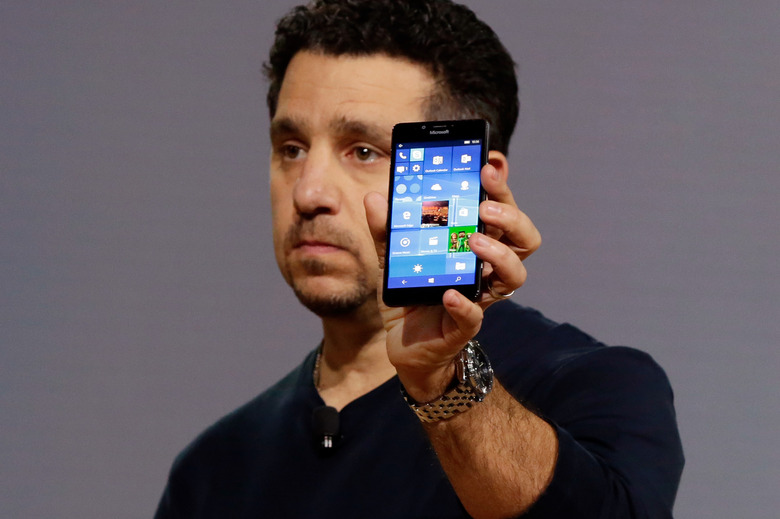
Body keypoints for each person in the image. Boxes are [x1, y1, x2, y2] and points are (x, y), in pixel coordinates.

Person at [154, 1, 684, 518]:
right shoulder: (215, 468)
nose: (309, 191)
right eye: (292, 148)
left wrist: (441, 380)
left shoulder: (592, 385)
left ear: (476, 183)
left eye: (364, 151)